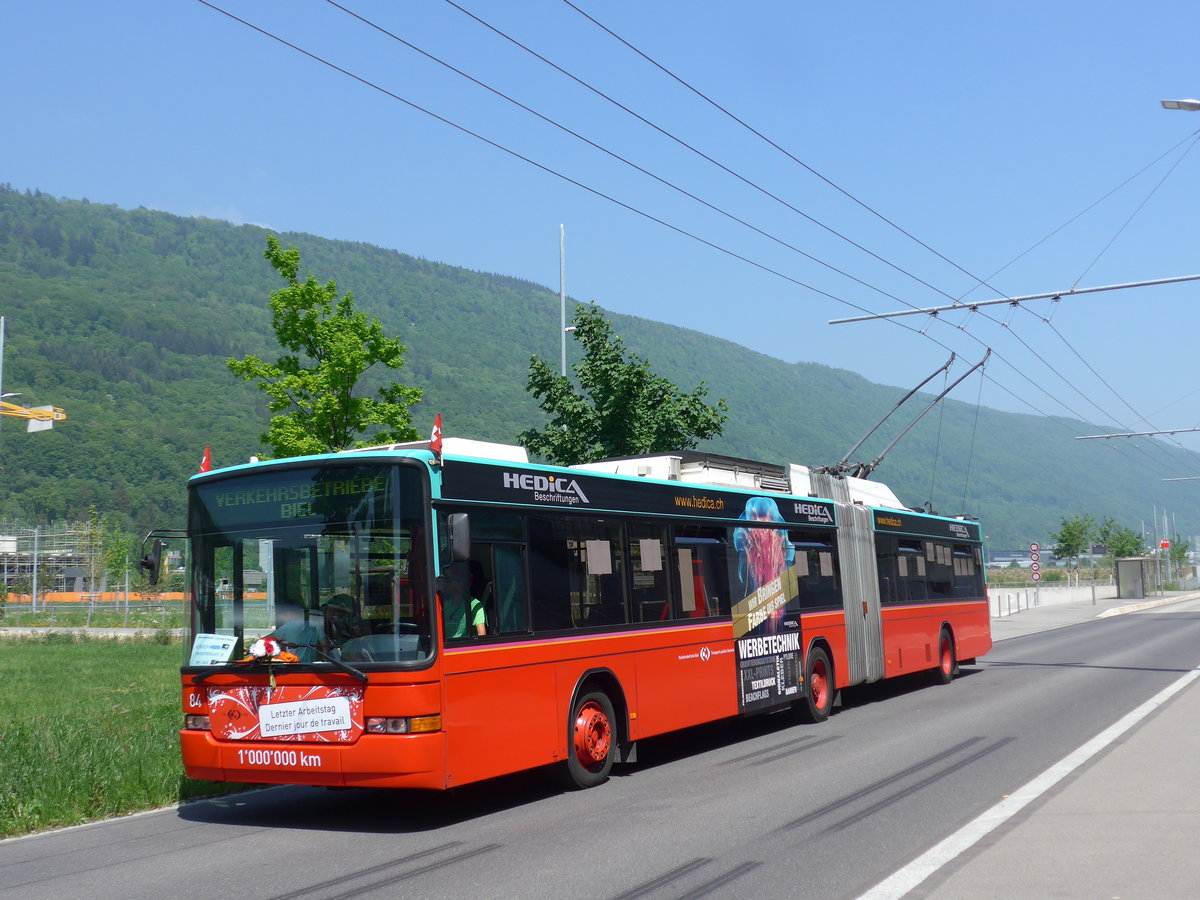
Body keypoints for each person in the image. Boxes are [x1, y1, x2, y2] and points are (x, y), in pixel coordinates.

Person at [440, 563, 487, 639]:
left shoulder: (475, 605)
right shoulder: (444, 605)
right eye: (449, 580)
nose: (453, 584)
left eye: (457, 580)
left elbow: (482, 635)